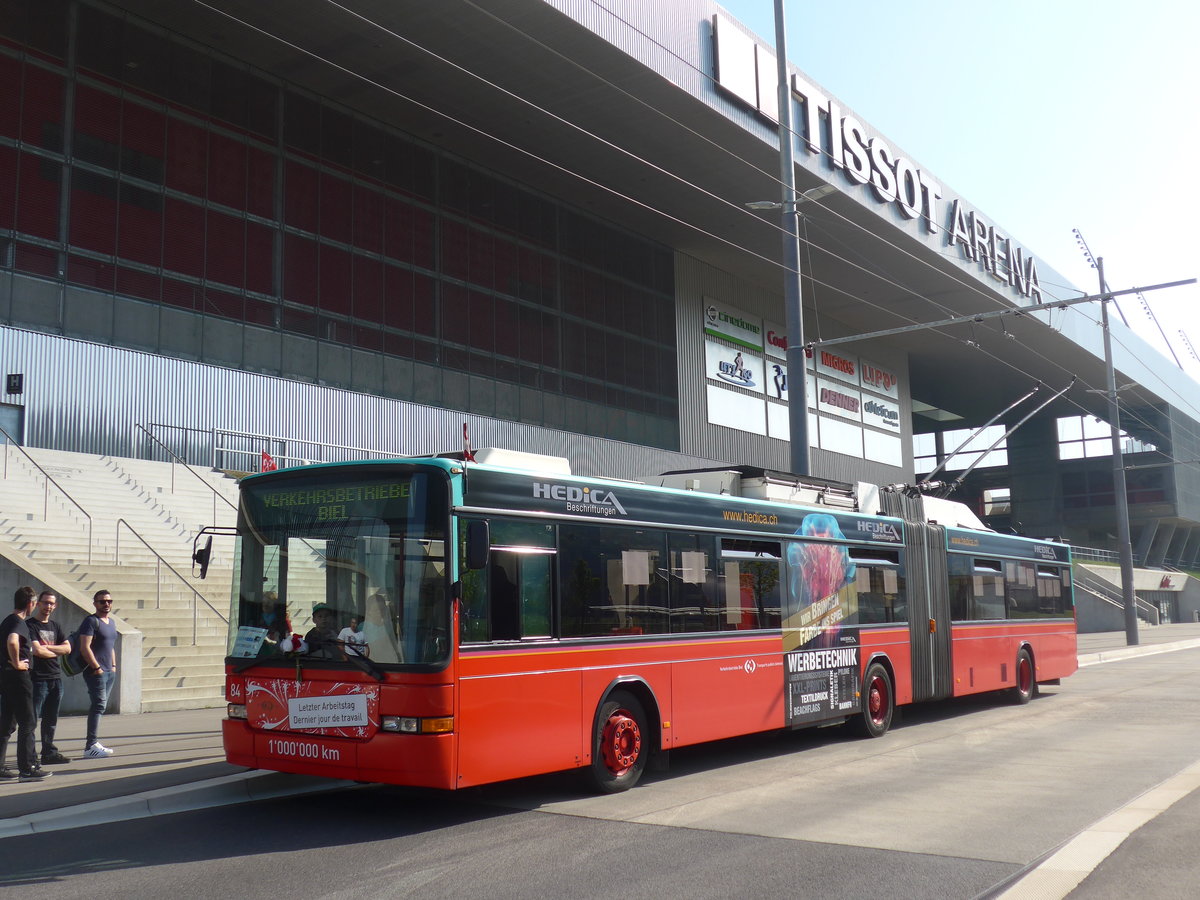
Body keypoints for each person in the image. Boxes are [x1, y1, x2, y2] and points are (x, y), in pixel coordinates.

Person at [0, 586, 52, 781]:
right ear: (30, 604)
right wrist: (16, 663)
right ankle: (28, 767)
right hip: (18, 678)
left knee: (6, 724)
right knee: (28, 723)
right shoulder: (18, 623)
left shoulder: (7, 621)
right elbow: (13, 641)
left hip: (6, 677)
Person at [28, 590, 71, 765]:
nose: (48, 606)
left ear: (55, 606)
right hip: (38, 679)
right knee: (32, 720)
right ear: (38, 604)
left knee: (51, 719)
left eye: (51, 603)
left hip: (55, 678)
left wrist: (48, 649)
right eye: (45, 603)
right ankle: (29, 756)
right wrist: (55, 649)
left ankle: (48, 752)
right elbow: (37, 651)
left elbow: (67, 649)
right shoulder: (30, 625)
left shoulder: (55, 626)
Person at [78, 589, 118, 759]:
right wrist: (96, 668)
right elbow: (84, 647)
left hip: (109, 671)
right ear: (95, 604)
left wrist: (114, 665)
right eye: (102, 601)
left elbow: (111, 645)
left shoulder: (111, 622)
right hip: (96, 672)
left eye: (109, 601)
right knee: (98, 705)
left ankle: (93, 743)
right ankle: (90, 745)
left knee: (100, 706)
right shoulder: (90, 621)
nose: (106, 604)